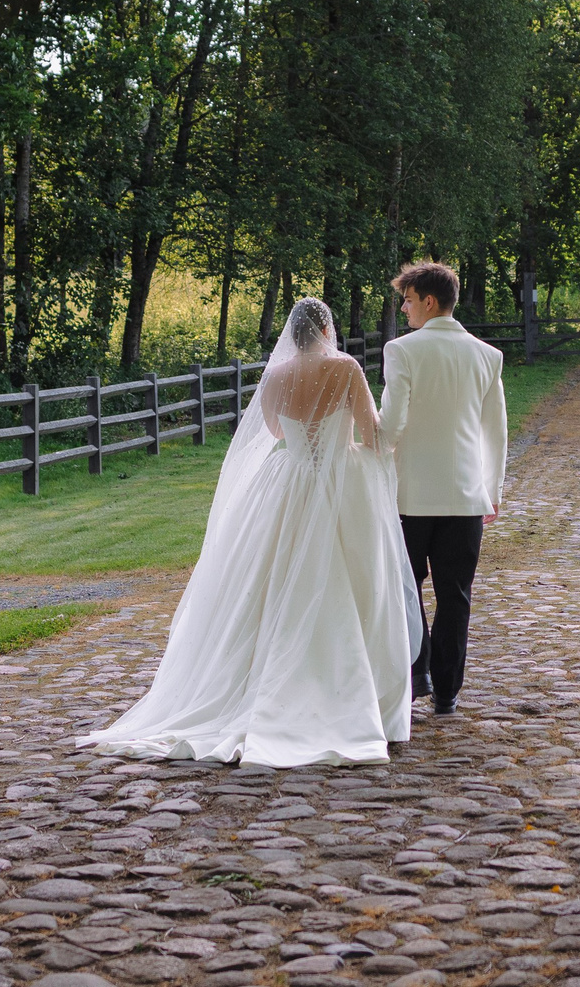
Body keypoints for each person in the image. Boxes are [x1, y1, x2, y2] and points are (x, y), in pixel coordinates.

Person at [77, 298, 418, 767]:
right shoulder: (346, 368)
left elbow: (276, 430)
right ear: (326, 330)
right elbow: (371, 433)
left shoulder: (275, 376)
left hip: (289, 481)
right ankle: (352, 688)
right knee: (357, 579)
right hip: (340, 481)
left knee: (273, 578)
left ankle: (264, 677)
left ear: (292, 335)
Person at [377, 260, 508, 716]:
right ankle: (448, 692)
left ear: (429, 301)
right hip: (466, 496)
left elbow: (392, 425)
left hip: (409, 497)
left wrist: (368, 450)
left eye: (408, 300)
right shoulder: (487, 355)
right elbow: (495, 432)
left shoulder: (402, 350)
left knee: (404, 588)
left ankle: (419, 671)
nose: (404, 309)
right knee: (456, 596)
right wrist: (492, 489)